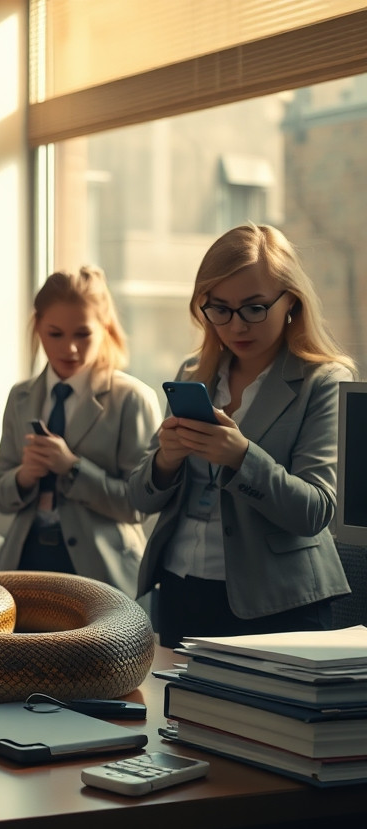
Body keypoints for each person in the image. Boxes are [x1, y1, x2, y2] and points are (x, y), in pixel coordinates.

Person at [126, 223, 357, 648]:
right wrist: (165, 461)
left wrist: (242, 457)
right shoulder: (194, 374)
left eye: (254, 308)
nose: (236, 326)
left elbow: (315, 512)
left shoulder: (323, 381)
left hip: (278, 604)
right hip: (181, 589)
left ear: (291, 301)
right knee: (178, 714)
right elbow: (139, 499)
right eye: (220, 309)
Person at [0, 267, 161, 591]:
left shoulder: (132, 399)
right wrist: (24, 476)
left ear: (105, 328)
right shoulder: (20, 396)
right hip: (24, 561)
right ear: (38, 327)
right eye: (56, 334)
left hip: (101, 570)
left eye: (83, 335)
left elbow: (139, 506)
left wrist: (73, 468)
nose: (70, 349)